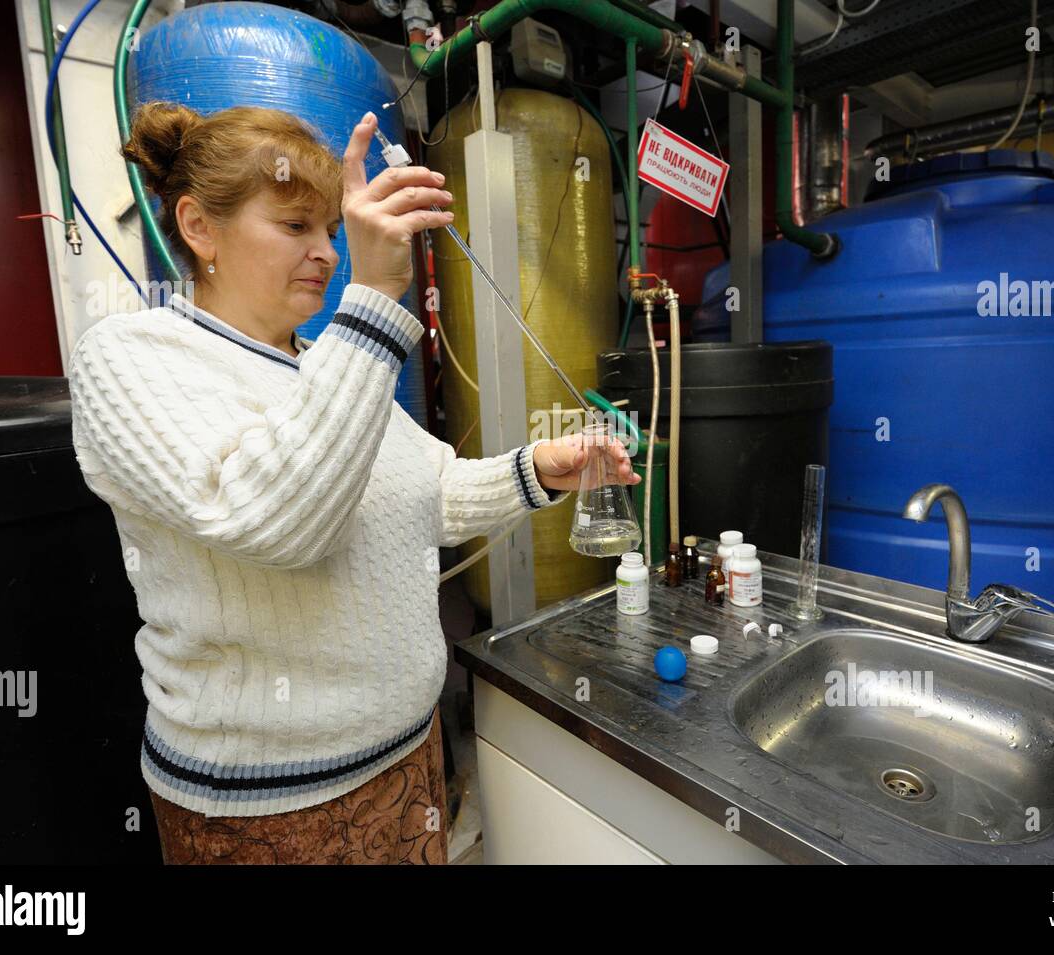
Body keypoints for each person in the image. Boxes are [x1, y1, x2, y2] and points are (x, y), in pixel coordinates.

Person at [68, 101, 639, 864]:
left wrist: (536, 469)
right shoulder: (132, 357)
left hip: (407, 761)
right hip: (271, 810)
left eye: (332, 232)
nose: (328, 254)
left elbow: (430, 496)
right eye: (295, 226)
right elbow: (276, 521)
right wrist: (372, 303)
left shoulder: (326, 365)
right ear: (200, 227)